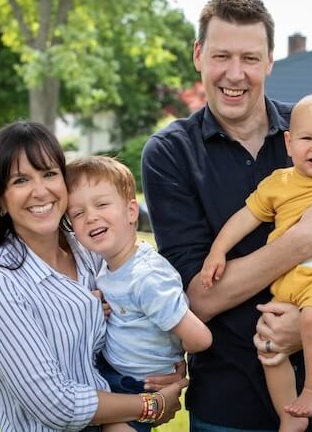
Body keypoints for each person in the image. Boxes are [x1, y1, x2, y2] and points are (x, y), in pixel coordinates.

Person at [141, 0, 312, 432]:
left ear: (269, 60)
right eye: (221, 55)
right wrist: (303, 241)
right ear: (198, 55)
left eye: (250, 58)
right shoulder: (171, 154)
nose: (235, 73)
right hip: (229, 407)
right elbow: (197, 299)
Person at [0, 122, 187, 431]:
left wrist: (163, 364)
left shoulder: (90, 251)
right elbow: (56, 405)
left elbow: (146, 307)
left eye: (49, 174)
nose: (41, 191)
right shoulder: (0, 281)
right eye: (21, 180)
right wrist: (150, 405)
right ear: (0, 199)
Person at [200, 94, 312, 431]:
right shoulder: (278, 184)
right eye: (307, 138)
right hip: (288, 282)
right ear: (289, 142)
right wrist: (217, 252)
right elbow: (245, 218)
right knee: (269, 346)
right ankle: (291, 416)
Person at [65, 155, 213, 432]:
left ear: (132, 211)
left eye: (101, 204)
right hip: (109, 373)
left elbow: (200, 339)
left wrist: (173, 361)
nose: (91, 216)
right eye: (77, 213)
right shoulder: (107, 268)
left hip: (136, 385)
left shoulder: (147, 277)